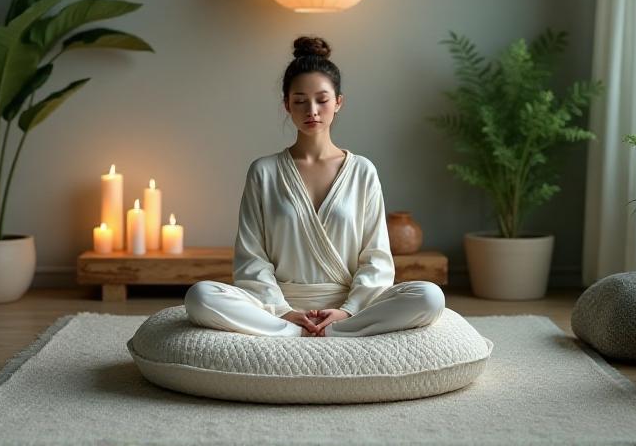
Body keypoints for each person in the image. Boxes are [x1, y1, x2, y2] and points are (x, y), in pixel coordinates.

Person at [184, 36, 445, 338]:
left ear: (338, 102)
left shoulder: (362, 171)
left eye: (322, 99)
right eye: (299, 100)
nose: (312, 110)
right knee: (200, 296)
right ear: (286, 105)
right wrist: (283, 310)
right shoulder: (264, 172)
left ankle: (338, 328)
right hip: (278, 306)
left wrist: (348, 309)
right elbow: (251, 257)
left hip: (352, 306)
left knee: (429, 297)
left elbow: (376, 257)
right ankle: (292, 329)